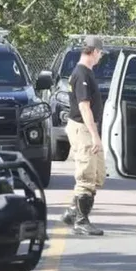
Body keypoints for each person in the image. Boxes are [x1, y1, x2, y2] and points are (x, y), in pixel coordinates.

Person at [59, 36, 106, 236]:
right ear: (94, 51)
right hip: (83, 128)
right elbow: (84, 107)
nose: (100, 57)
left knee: (97, 174)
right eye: (100, 53)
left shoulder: (86, 72)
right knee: (86, 174)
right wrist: (95, 136)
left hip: (87, 128)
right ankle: (81, 220)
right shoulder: (82, 74)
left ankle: (72, 211)